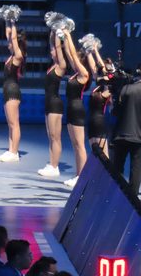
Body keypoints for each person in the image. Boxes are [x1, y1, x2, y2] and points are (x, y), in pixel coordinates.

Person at [61, 29, 91, 188]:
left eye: (76, 60)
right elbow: (69, 53)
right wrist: (63, 38)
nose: (73, 62)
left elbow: (72, 54)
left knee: (80, 145)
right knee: (74, 145)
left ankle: (82, 177)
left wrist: (68, 35)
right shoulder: (75, 74)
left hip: (78, 110)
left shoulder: (84, 74)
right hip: (71, 109)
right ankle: (78, 174)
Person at [38, 32, 66, 179]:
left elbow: (58, 47)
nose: (51, 51)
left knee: (55, 137)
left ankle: (55, 166)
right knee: (50, 136)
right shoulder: (52, 66)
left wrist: (58, 37)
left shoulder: (61, 66)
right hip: (48, 103)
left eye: (53, 50)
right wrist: (52, 32)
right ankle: (51, 163)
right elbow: (52, 44)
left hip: (55, 104)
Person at [0, 23, 26, 163]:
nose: (8, 43)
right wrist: (8, 20)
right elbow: (9, 34)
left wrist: (14, 22)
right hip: (7, 90)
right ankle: (11, 150)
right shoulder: (11, 57)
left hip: (12, 91)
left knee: (14, 124)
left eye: (11, 42)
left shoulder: (18, 56)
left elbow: (13, 39)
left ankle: (14, 152)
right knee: (10, 124)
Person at [112, 73, 141, 195]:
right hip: (138, 136)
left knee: (117, 166)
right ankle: (133, 197)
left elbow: (115, 112)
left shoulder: (126, 88)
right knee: (136, 167)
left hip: (121, 133)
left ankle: (115, 193)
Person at [86, 50, 113, 157]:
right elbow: (94, 69)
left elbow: (105, 72)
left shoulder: (108, 89)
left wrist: (96, 52)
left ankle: (107, 170)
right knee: (94, 155)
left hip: (99, 124)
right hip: (91, 123)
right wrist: (89, 52)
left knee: (103, 156)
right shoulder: (98, 86)